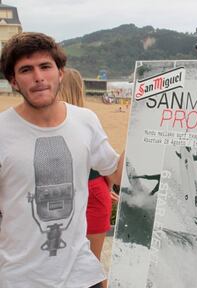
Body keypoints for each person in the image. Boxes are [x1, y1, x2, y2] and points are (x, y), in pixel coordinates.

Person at [0, 32, 124, 288]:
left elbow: (119, 174)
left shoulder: (85, 120)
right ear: (13, 81)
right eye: (26, 70)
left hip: (81, 274)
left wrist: (149, 122)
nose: (38, 77)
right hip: (20, 278)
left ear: (60, 72)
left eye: (45, 66)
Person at [58, 67, 119, 288]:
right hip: (94, 190)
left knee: (86, 267)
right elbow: (108, 166)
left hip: (81, 193)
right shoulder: (87, 121)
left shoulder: (58, 122)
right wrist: (108, 186)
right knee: (91, 264)